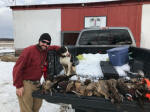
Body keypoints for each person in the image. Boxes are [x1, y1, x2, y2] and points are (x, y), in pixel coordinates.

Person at [13, 33, 60, 112]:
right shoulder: (29, 51)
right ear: (39, 41)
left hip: (37, 84)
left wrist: (63, 50)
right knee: (26, 110)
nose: (45, 44)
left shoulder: (45, 50)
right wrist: (18, 86)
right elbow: (17, 68)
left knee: (36, 108)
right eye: (43, 42)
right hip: (26, 84)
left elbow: (54, 47)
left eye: (48, 43)